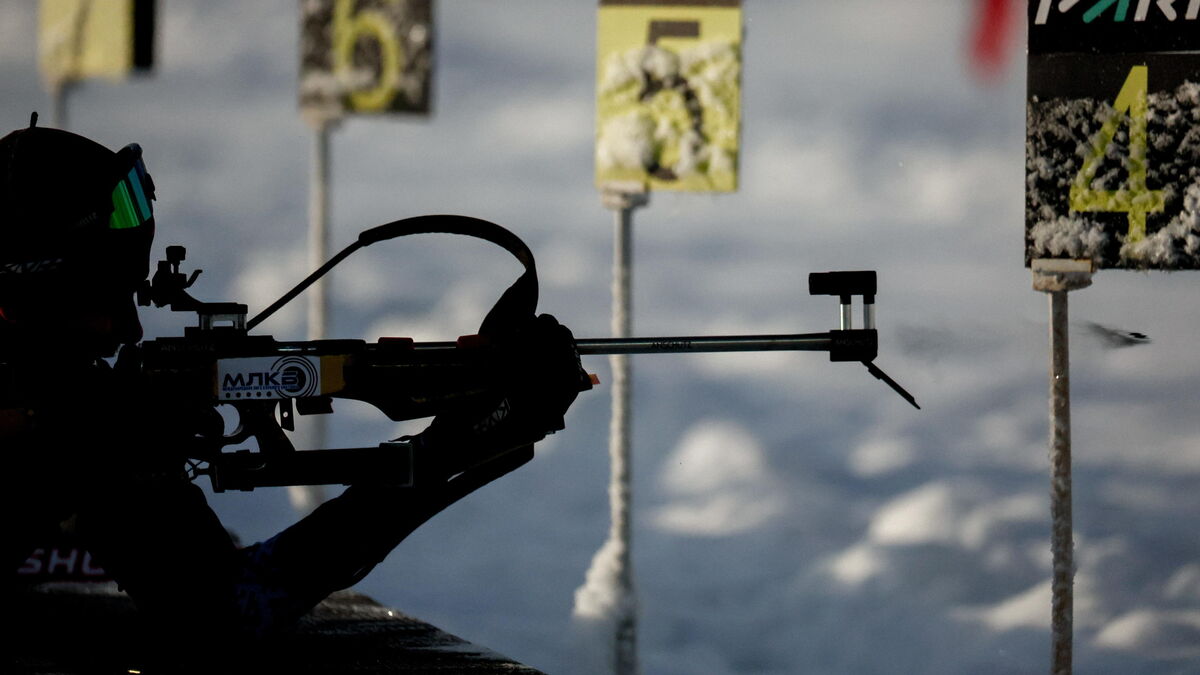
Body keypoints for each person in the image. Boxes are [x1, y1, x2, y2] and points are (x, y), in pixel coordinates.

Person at [2, 117, 589, 649]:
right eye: (103, 299)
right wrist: (446, 452)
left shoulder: (72, 410)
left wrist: (450, 445)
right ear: (25, 297)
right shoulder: (60, 422)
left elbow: (228, 601)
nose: (129, 327)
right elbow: (228, 614)